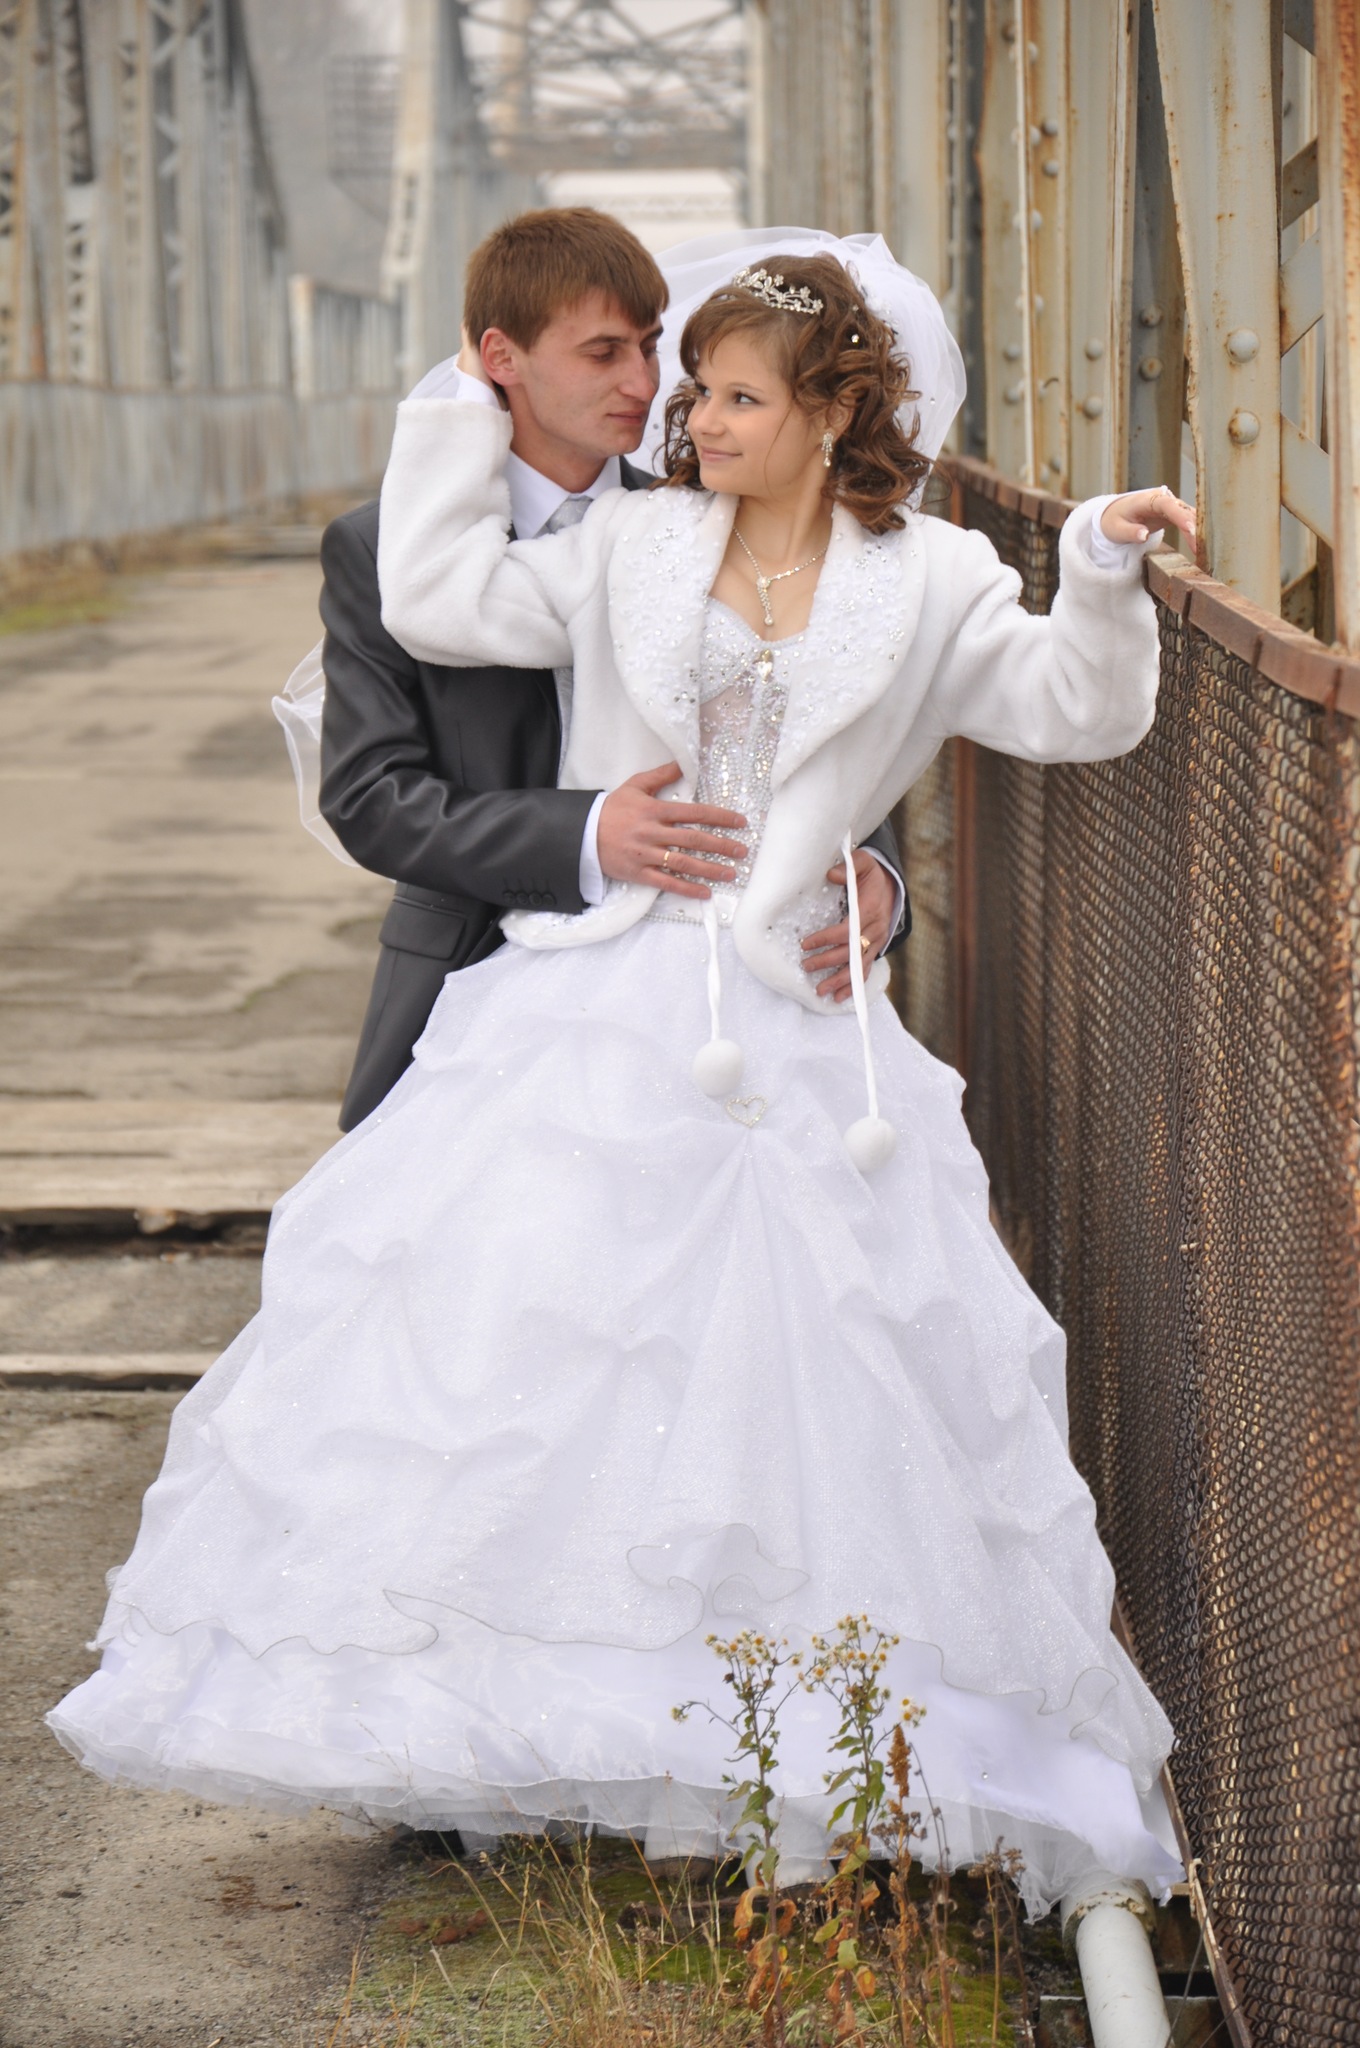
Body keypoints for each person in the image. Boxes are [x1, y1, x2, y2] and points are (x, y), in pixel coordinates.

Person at [49, 231, 1196, 1921]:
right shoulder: (631, 543)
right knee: (523, 1363)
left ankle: (796, 1749)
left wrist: (1095, 566)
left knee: (800, 1389)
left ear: (829, 412)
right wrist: (460, 407)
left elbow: (1075, 713)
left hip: (792, 1024)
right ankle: (498, 1732)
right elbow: (437, 601)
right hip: (587, 1004)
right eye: (686, 385)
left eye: (731, 393)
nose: (689, 415)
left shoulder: (936, 577)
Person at [308, 208, 907, 1130]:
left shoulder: (707, 518)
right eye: (602, 353)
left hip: (713, 1002)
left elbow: (819, 704)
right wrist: (585, 835)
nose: (643, 382)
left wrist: (873, 866)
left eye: (651, 345)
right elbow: (369, 796)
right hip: (466, 984)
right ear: (501, 358)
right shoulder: (383, 552)